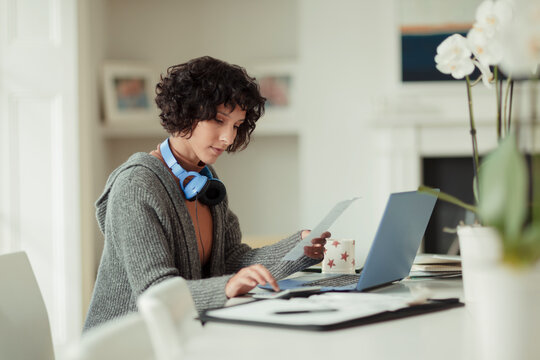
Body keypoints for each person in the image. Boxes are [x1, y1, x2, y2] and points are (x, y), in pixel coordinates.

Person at [83, 56, 330, 331]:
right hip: (128, 346)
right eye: (218, 120)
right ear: (186, 112)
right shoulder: (136, 185)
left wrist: (300, 247)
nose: (228, 138)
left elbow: (230, 260)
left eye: (236, 125)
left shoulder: (205, 180)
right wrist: (226, 286)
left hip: (184, 335)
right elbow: (155, 291)